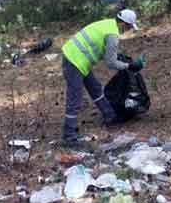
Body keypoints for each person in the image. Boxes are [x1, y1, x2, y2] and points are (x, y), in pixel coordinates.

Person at [61, 9, 144, 147]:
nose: (128, 30)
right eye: (129, 27)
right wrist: (129, 66)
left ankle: (110, 116)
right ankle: (69, 136)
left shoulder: (108, 24)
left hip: (76, 57)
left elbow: (108, 52)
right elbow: (110, 62)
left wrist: (124, 62)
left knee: (95, 88)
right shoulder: (112, 35)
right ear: (123, 23)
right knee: (74, 98)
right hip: (74, 60)